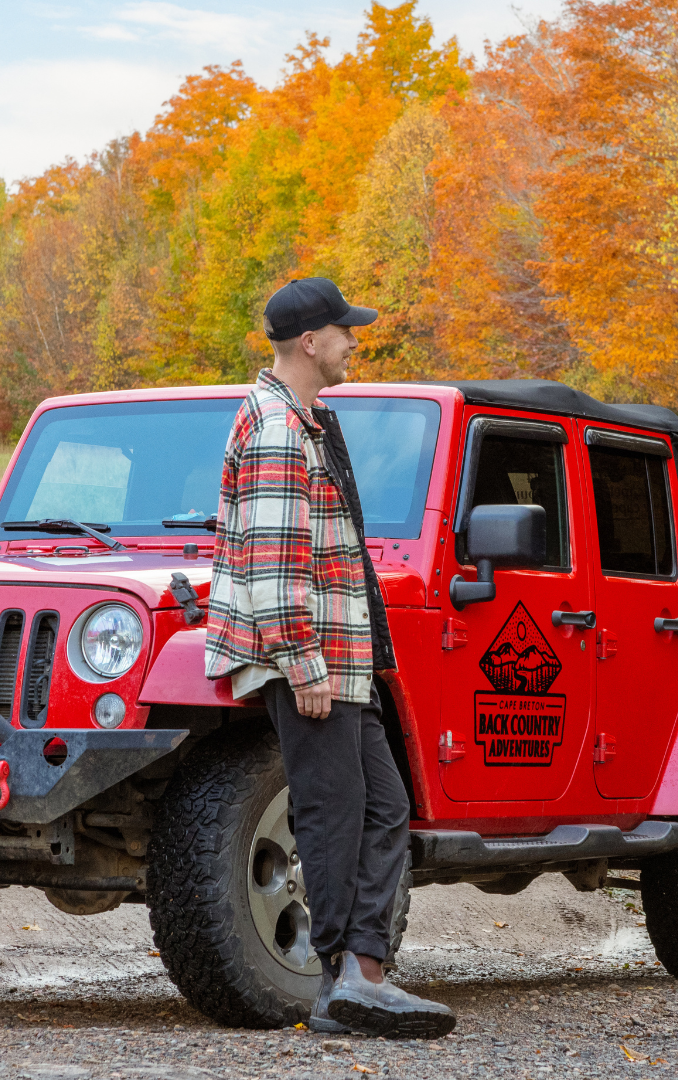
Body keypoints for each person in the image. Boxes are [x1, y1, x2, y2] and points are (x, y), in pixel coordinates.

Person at [204, 277, 455, 1038]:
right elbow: (277, 565)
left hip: (346, 660)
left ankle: (360, 976)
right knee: (333, 816)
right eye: (344, 331)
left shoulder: (305, 421)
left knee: (383, 808)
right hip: (314, 662)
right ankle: (344, 979)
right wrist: (304, 665)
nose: (355, 340)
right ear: (310, 342)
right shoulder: (279, 429)